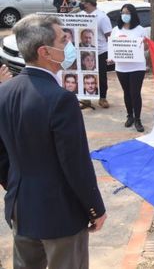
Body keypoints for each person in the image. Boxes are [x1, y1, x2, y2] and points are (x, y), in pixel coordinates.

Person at [0, 14, 106, 269]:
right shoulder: (61, 100)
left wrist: (16, 186)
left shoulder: (3, 93)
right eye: (63, 39)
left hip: (21, 209)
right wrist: (95, 209)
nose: (67, 45)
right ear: (45, 51)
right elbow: (76, 164)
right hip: (61, 215)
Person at [109, 4, 148, 133]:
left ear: (133, 14)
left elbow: (146, 48)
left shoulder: (141, 30)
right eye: (122, 13)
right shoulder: (116, 30)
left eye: (127, 12)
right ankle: (129, 116)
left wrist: (145, 45)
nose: (124, 15)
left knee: (135, 93)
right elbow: (113, 47)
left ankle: (138, 119)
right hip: (121, 67)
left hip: (137, 67)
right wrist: (111, 57)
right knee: (127, 92)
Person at [79, 0, 113, 108]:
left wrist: (112, 53)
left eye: (84, 2)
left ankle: (102, 98)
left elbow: (109, 35)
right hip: (84, 51)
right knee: (85, 74)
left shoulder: (102, 17)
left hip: (100, 52)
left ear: (90, 3)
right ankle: (86, 99)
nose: (82, 4)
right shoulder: (80, 15)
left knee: (101, 76)